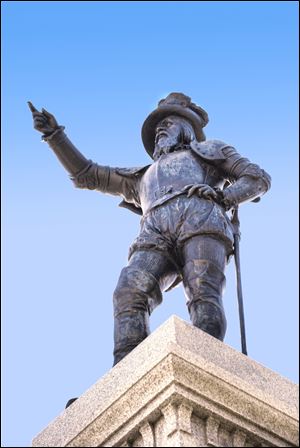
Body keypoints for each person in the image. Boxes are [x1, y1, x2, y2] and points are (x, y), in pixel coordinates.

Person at [29, 92, 271, 366]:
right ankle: (125, 373)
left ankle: (205, 363)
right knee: (129, 291)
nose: (159, 130)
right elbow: (87, 175)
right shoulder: (141, 177)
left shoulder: (210, 151)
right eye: (157, 128)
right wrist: (55, 136)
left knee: (202, 289)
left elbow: (257, 178)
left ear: (186, 127)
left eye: (167, 123)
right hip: (153, 231)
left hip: (201, 218)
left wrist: (223, 197)